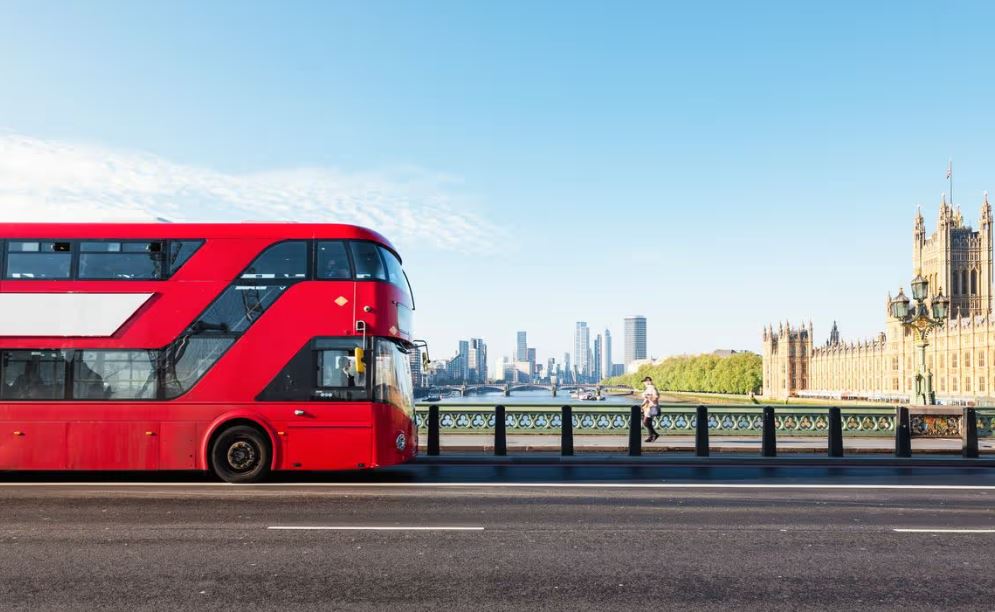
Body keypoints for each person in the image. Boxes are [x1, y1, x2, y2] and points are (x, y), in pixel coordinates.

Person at [641, 376, 660, 442]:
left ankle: (655, 434)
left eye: (644, 381)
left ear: (648, 381)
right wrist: (642, 405)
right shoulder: (648, 389)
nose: (644, 383)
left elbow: (656, 397)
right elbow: (646, 399)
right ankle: (651, 436)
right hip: (647, 407)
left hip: (651, 407)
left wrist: (649, 397)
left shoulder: (652, 388)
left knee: (645, 422)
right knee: (648, 422)